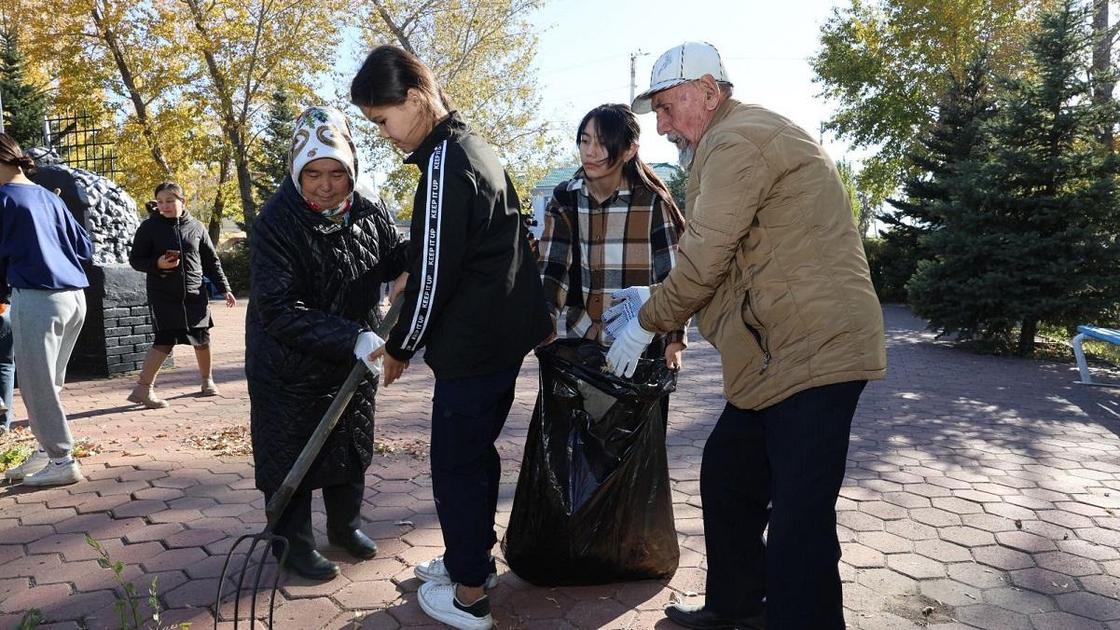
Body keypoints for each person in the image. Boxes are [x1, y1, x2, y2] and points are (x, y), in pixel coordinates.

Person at [607, 42, 887, 630]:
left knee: (800, 519)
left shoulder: (736, 142)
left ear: (709, 91)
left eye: (667, 107)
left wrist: (649, 320)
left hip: (813, 351)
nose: (660, 126)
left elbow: (705, 260)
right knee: (729, 476)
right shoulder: (725, 147)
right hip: (775, 356)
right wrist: (653, 302)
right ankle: (739, 607)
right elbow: (715, 262)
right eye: (655, 113)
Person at [351, 45, 551, 630]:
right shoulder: (476, 148)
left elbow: (434, 273)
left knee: (456, 466)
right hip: (502, 338)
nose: (385, 135)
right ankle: (475, 563)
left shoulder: (444, 163)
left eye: (383, 121)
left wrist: (401, 346)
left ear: (415, 100)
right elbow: (461, 247)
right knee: (475, 458)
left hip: (473, 345)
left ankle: (469, 596)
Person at [245, 105, 409, 581]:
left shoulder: (368, 207)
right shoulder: (276, 220)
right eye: (313, 172)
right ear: (297, 171)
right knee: (289, 452)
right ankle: (291, 544)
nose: (325, 184)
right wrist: (351, 336)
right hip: (287, 363)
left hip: (353, 358)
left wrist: (407, 266)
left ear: (351, 169)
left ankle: (345, 527)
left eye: (337, 172)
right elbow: (277, 308)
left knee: (348, 445)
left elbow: (395, 253)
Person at [538, 103, 687, 374]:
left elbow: (673, 277)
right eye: (585, 141)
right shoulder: (565, 198)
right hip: (582, 345)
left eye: (603, 143)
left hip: (640, 348)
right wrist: (543, 323)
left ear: (629, 150)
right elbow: (553, 269)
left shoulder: (652, 202)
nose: (590, 151)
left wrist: (674, 340)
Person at [0, 132, 93, 487]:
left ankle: (61, 459)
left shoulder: (4, 200)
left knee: (39, 386)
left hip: (37, 298)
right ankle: (47, 450)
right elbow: (84, 247)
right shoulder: (48, 197)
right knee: (50, 384)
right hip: (74, 297)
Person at [127, 182, 236, 408]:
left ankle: (207, 382)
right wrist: (157, 263)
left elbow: (211, 261)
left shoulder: (196, 227)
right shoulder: (149, 227)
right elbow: (136, 260)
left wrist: (225, 288)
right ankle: (143, 389)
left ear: (182, 201)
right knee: (165, 341)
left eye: (169, 201)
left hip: (195, 294)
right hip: (164, 294)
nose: (164, 206)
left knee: (202, 338)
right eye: (160, 202)